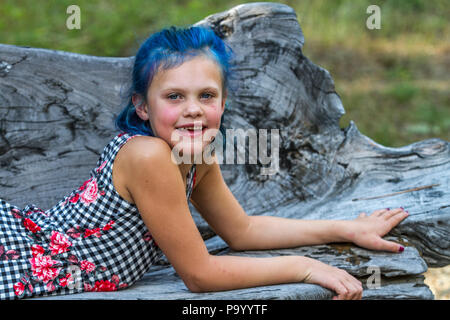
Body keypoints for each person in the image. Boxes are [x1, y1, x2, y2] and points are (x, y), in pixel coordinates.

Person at [0, 25, 409, 300]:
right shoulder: (148, 156)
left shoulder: (194, 154)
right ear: (142, 106)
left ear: (223, 103)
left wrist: (345, 228)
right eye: (174, 97)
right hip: (18, 255)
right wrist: (304, 267)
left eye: (206, 96)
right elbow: (200, 275)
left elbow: (242, 230)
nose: (193, 110)